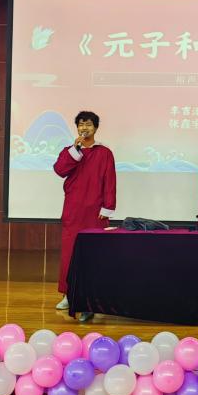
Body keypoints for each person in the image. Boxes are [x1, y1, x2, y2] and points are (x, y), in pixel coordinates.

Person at [53, 111, 116, 319]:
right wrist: (75, 150)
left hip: (95, 212)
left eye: (88, 124)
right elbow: (59, 170)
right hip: (73, 210)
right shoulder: (70, 151)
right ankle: (68, 294)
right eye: (81, 124)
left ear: (95, 128)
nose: (84, 128)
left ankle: (93, 298)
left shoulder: (104, 153)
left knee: (94, 255)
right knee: (69, 254)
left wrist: (107, 207)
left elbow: (110, 180)